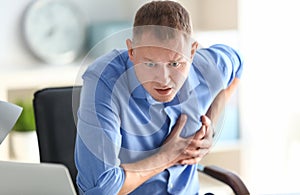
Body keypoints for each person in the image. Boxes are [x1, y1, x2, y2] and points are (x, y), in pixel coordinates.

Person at [74, 1, 243, 195]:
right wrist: (166, 156)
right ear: (131, 51)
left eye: (174, 63)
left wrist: (210, 126)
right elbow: (102, 190)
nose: (163, 80)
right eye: (150, 64)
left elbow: (238, 66)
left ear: (192, 52)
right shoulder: (104, 81)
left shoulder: (207, 67)